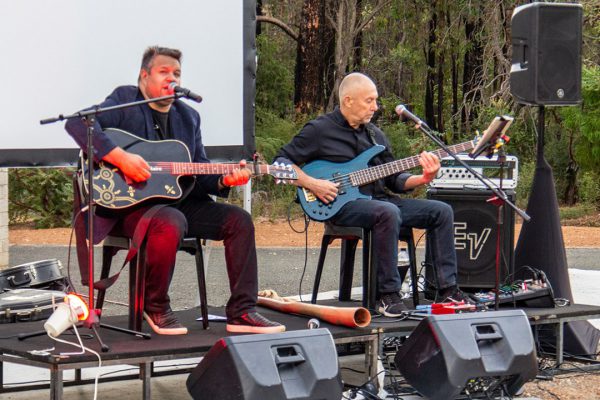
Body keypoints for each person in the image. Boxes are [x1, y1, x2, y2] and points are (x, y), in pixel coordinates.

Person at [66, 46, 284, 335]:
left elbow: (200, 170)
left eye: (177, 74)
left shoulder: (188, 117)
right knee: (170, 221)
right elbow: (77, 124)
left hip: (176, 202)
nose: (173, 79)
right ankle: (155, 305)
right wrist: (121, 158)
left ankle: (242, 312)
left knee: (238, 220)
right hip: (128, 207)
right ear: (144, 76)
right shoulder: (125, 100)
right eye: (164, 72)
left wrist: (224, 181)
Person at [274, 72, 473, 317]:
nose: (375, 107)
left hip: (379, 201)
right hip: (341, 206)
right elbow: (280, 162)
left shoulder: (375, 135)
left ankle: (448, 291)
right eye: (369, 101)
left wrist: (423, 178)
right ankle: (387, 295)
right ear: (348, 100)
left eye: (375, 101)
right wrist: (312, 183)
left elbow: (394, 179)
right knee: (386, 212)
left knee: (440, 211)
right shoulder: (319, 129)